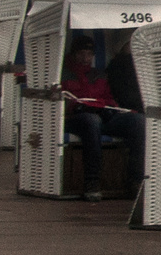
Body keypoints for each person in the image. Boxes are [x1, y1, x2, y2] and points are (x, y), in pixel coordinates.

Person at [60, 36, 146, 202]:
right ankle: (92, 182)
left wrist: (110, 106)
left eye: (89, 54)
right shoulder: (63, 73)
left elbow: (109, 97)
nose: (85, 58)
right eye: (81, 53)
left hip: (102, 115)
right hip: (75, 118)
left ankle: (136, 180)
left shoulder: (98, 74)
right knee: (91, 121)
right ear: (74, 54)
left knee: (138, 121)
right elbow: (62, 101)